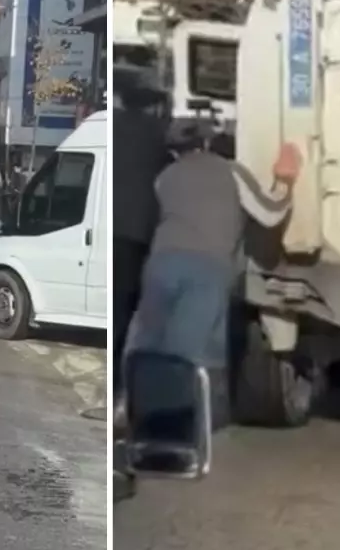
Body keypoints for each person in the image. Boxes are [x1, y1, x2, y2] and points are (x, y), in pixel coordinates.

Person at [129, 129, 302, 373]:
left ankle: (133, 401)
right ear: (206, 144)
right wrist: (285, 181)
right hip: (207, 267)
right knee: (196, 353)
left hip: (161, 264)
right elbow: (270, 214)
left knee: (149, 342)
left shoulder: (165, 176)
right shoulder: (230, 171)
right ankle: (193, 406)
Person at [111, 86, 170, 403]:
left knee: (118, 311)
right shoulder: (156, 134)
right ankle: (125, 390)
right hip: (139, 234)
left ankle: (119, 388)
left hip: (113, 230)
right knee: (132, 313)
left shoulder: (113, 126)